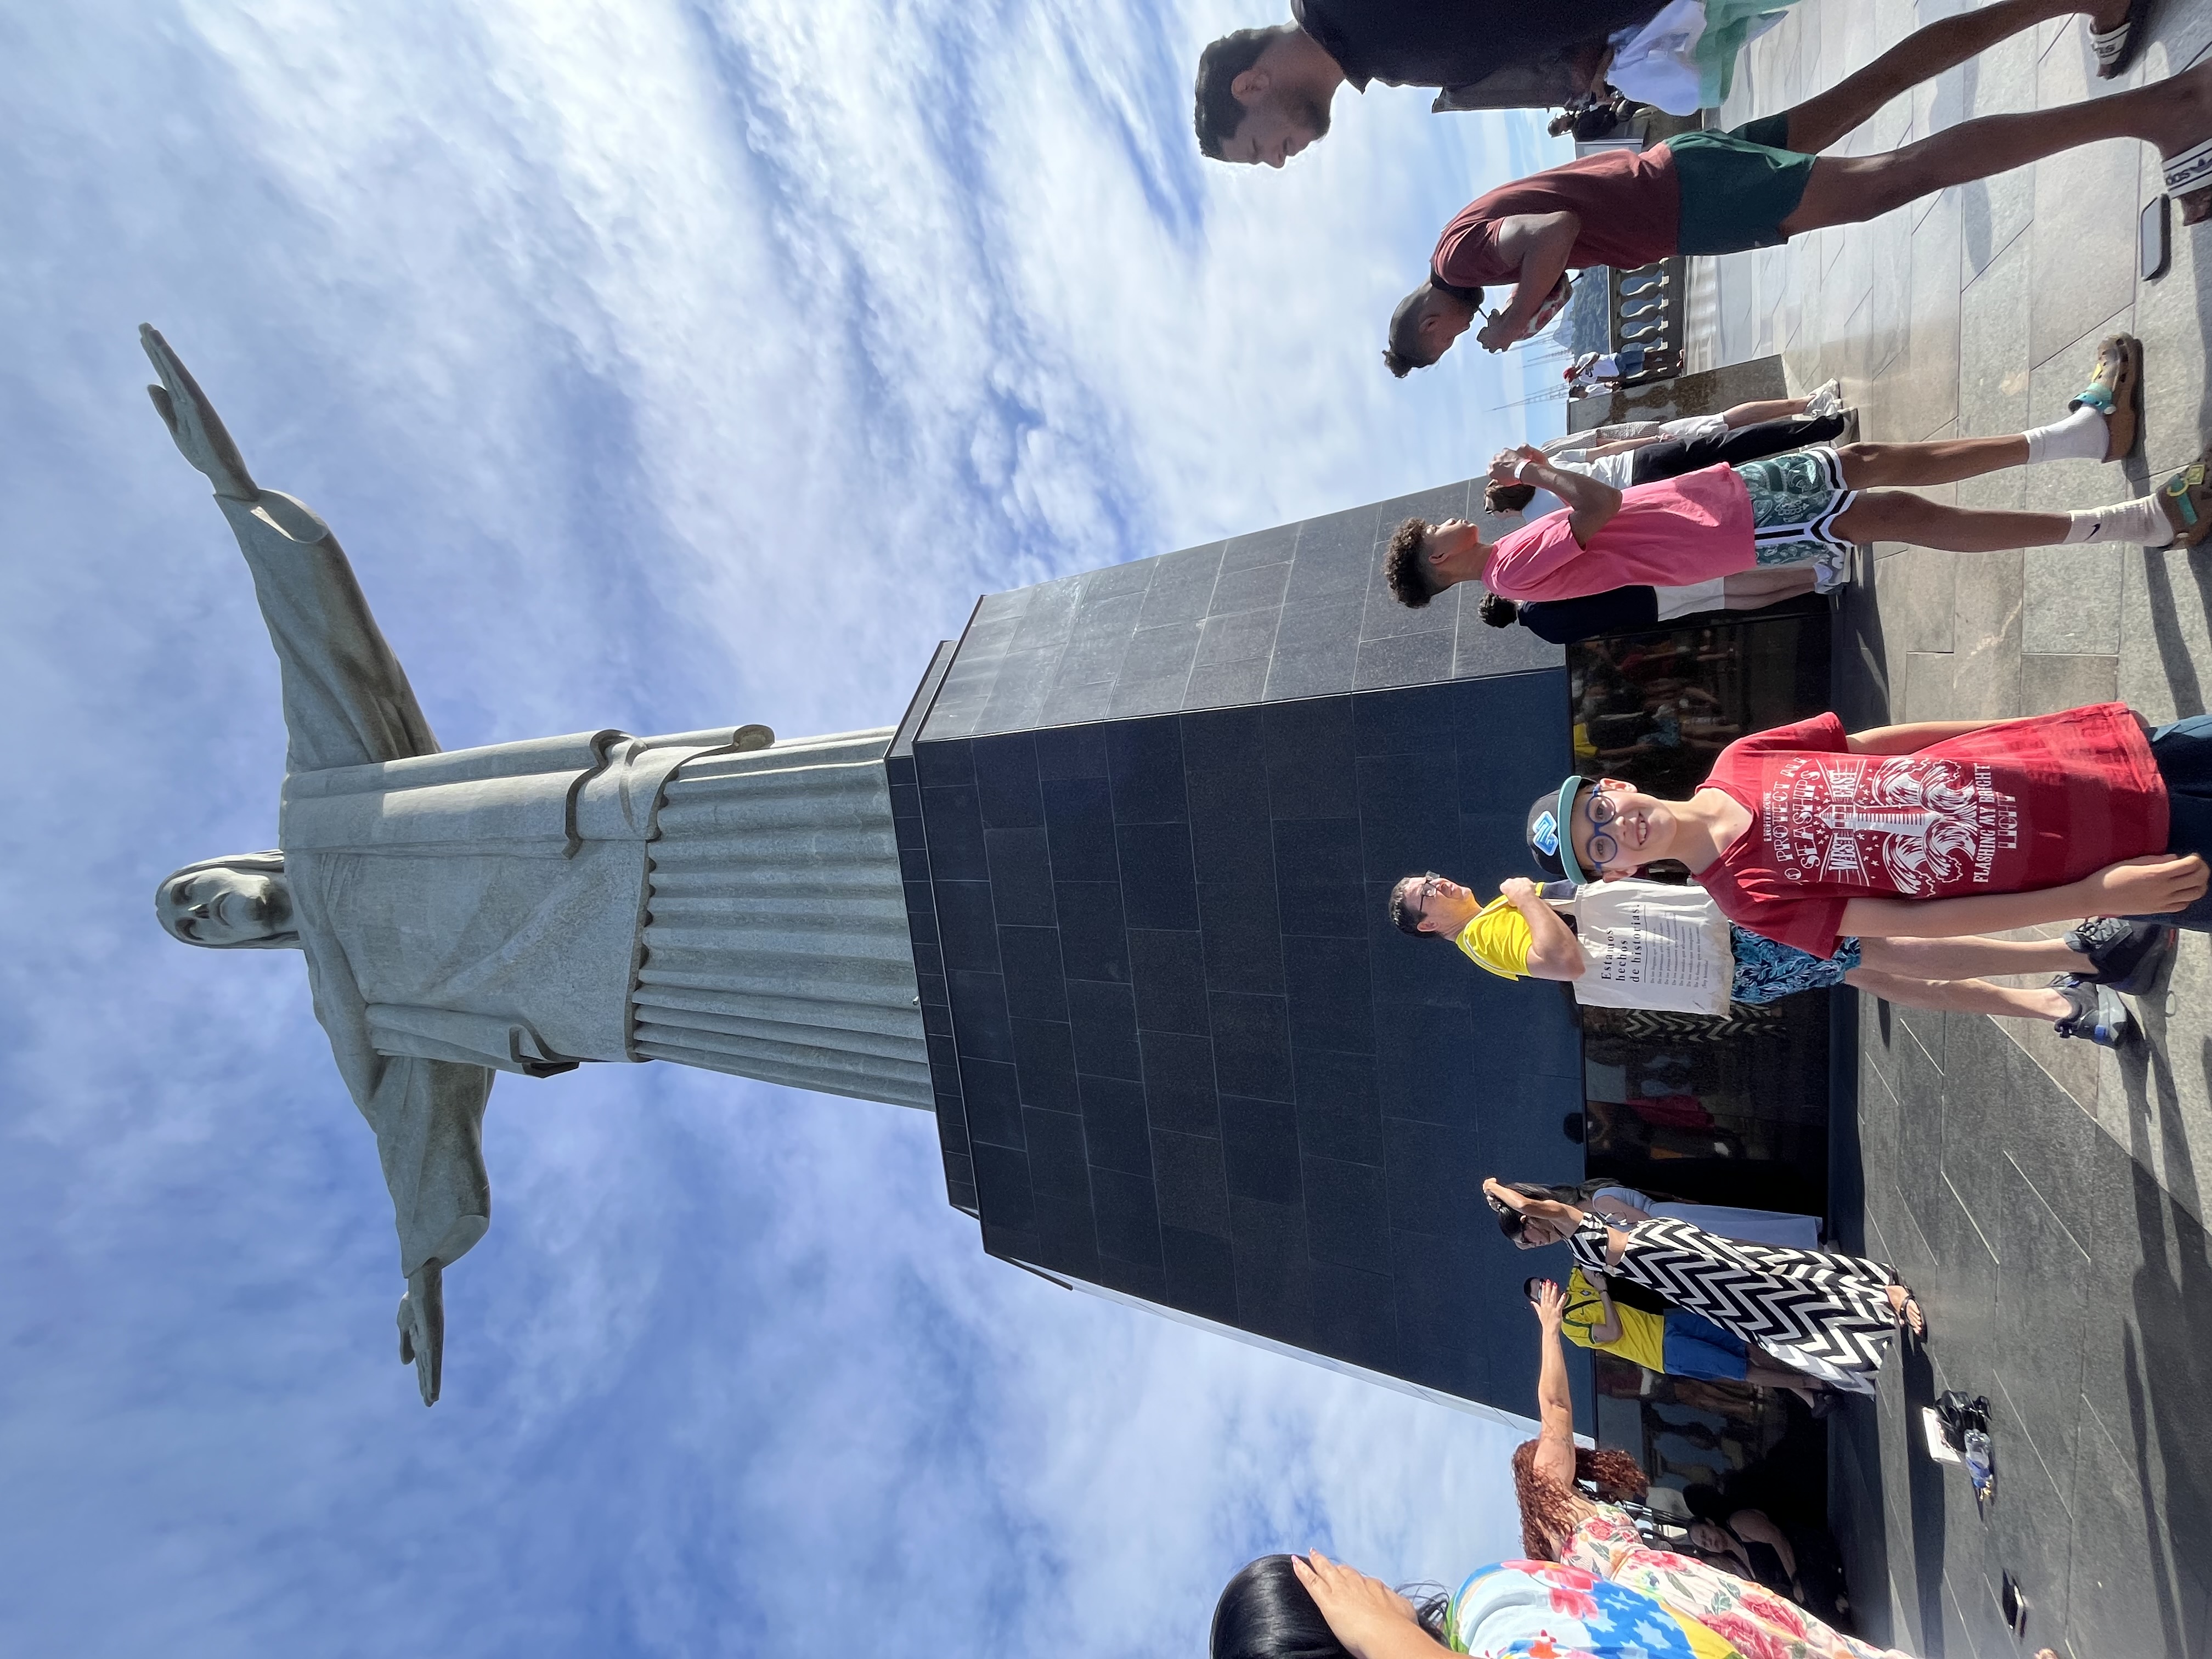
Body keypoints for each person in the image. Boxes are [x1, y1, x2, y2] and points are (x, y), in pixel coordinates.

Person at [1205, 1283, 2049, 1659]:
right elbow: (1556, 1414)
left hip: (1705, 1609)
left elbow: (1559, 1423)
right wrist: (1547, 1326)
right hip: (1689, 1601)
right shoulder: (1536, 1547)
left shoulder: (1525, 1576)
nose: (1351, 1576)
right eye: (1325, 1587)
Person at [1380, 0, 2212, 373]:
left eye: (1448, 340)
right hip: (1681, 171)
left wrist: (1519, 319)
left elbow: (1554, 226)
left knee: (1899, 177)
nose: (1464, 335)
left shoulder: (1459, 260)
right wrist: (1547, 297)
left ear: (1429, 319)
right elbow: (1562, 233)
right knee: (1878, 85)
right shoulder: (1459, 232)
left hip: (1690, 203)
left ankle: (2172, 110)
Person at [1384, 343, 2204, 608]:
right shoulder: (1512, 567)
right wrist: (1545, 469)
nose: (1453, 524)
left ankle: (2085, 440)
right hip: (1729, 523)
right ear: (1444, 563)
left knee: (1883, 475)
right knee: (1903, 508)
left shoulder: (1513, 562)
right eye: (1437, 535)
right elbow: (1600, 505)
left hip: (1721, 509)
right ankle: (2131, 516)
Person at [1528, 696, 2212, 960]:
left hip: (2085, 768)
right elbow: (1922, 925)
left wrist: (2036, 731)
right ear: (1618, 873)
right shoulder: (1747, 901)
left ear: (1615, 785)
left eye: (1599, 810)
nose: (1616, 827)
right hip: (2094, 860)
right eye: (1600, 847)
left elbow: (1888, 741)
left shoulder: (1742, 759)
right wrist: (2096, 898)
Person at [1387, 868, 2171, 1046]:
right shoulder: (1491, 930)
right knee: (1895, 940)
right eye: (1426, 894)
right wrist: (1526, 893)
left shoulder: (1484, 944)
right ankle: (2089, 960)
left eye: (1429, 878)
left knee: (1877, 968)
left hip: (1727, 967)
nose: (1438, 884)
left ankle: (2063, 1006)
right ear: (1430, 927)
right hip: (1727, 943)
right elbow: (1562, 960)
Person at [1485, 1180, 1925, 1394]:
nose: (1533, 1244)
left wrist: (1492, 1189)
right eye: (1527, 1245)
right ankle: (1861, 1328)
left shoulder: (1567, 1215)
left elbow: (1525, 1202)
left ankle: (1880, 1293)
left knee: (1770, 1273)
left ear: (1532, 1218)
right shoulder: (1575, 1254)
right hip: (1679, 1282)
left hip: (1675, 1254)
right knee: (1762, 1314)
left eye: (1528, 1235)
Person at [1192, 1, 1664, 167]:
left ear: (1250, 87)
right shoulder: (1384, 65)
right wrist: (1589, 52)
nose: (1277, 160)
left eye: (1258, 147)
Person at [1534, 1263, 1839, 1409]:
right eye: (1540, 1292)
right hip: (1662, 1351)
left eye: (1544, 1282)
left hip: (1666, 1319)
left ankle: (1809, 1388)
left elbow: (1587, 1256)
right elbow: (1613, 1332)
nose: (1547, 1289)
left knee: (1743, 1343)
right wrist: (1603, 1292)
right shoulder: (1572, 1327)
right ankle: (1810, 1383)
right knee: (1738, 1369)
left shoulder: (1575, 1280)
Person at [1489, 386, 1849, 507]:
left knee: (1736, 473)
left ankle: (1817, 461)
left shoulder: (1545, 511)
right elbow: (1604, 449)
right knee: (1730, 437)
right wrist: (1651, 441)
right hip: (1642, 458)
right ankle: (1819, 419)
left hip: (1647, 492)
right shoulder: (1548, 464)